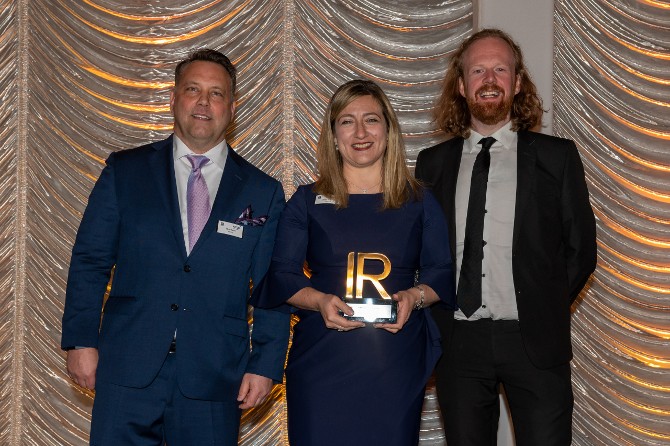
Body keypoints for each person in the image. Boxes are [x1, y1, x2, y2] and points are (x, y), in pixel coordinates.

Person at [61, 49, 290, 446]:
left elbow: (272, 285)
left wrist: (266, 364)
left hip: (215, 377)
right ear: (173, 98)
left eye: (216, 94)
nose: (204, 102)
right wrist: (82, 341)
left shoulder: (263, 192)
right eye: (193, 90)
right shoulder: (125, 171)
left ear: (232, 108)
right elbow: (90, 261)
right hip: (126, 368)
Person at [415, 28, 597, 445]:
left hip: (534, 343)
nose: (490, 79)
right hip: (458, 344)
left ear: (517, 83)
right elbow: (423, 251)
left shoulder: (558, 157)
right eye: (478, 70)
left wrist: (541, 304)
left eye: (501, 69)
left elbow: (580, 251)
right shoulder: (432, 164)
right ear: (461, 86)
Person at [252, 79, 456, 446]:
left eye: (371, 120)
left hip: (394, 365)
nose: (360, 132)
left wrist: (414, 298)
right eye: (347, 121)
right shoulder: (306, 201)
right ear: (333, 135)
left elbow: (442, 271)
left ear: (388, 130)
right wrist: (318, 301)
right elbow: (282, 274)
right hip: (322, 362)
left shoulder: (419, 200)